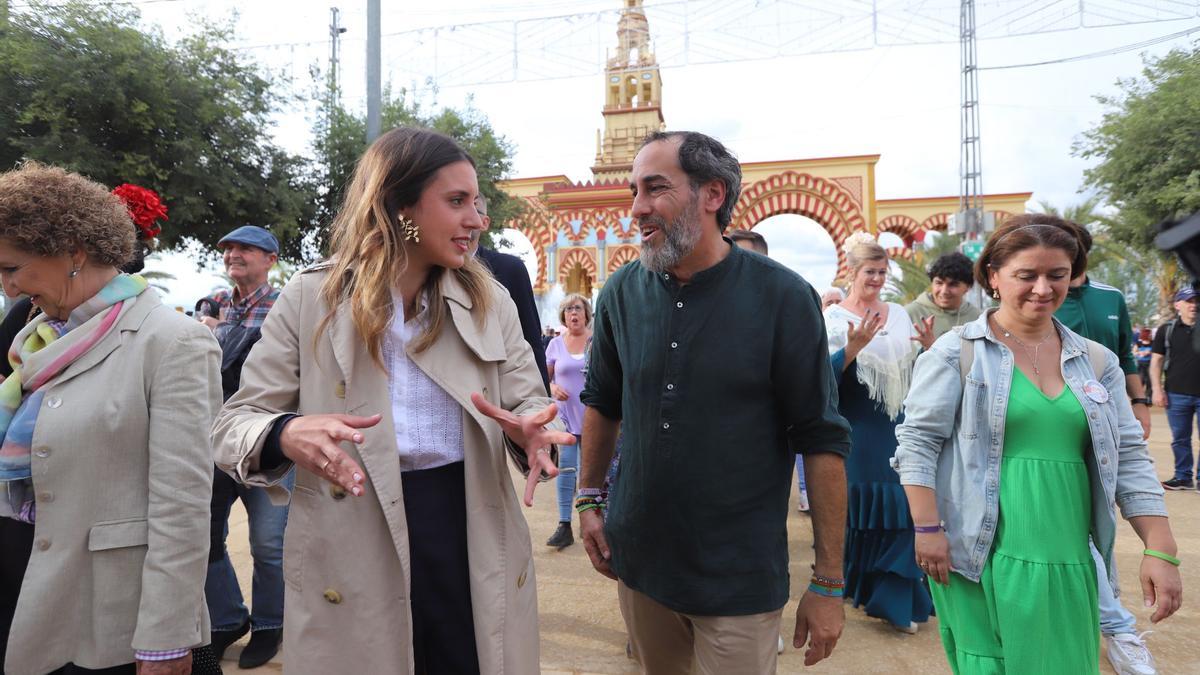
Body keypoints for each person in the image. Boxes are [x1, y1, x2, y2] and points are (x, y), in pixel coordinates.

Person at [211, 127, 573, 674]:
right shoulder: (313, 297)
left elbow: (527, 401)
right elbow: (233, 424)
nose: (478, 219)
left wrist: (530, 433)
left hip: (468, 523)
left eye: (476, 202)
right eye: (457, 202)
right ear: (399, 206)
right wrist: (286, 431)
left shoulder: (489, 298)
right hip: (353, 524)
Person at [578, 130, 852, 673]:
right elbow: (603, 403)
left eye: (655, 189)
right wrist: (587, 498)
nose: (637, 208)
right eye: (634, 190)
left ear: (712, 194)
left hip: (738, 575)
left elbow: (820, 438)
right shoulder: (620, 293)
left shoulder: (784, 299)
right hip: (641, 564)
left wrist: (828, 581)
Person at [895, 219, 1183, 673]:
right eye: (1026, 275)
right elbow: (917, 442)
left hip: (1068, 552)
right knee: (993, 665)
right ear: (993, 276)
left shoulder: (1096, 360)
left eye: (1058, 274)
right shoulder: (957, 352)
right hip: (979, 548)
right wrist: (928, 530)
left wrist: (1160, 549)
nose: (1043, 288)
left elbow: (1128, 453)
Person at [0, 163, 221, 674]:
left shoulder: (172, 341)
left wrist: (166, 639)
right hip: (23, 587)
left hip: (109, 619)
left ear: (73, 250)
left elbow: (182, 506)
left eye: (14, 268)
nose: (9, 289)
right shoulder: (33, 342)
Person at [1033, 213, 1158, 673]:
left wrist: (1140, 401)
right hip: (1054, 428)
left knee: (1098, 525)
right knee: (1075, 529)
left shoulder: (1111, 298)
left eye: (1059, 268)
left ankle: (1110, 618)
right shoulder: (1036, 298)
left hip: (1105, 423)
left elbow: (1124, 354)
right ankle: (1117, 625)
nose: (1044, 286)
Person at [823, 231, 933, 634]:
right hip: (860, 427)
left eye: (883, 271)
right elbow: (820, 382)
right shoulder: (835, 319)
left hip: (899, 424)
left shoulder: (900, 314)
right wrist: (851, 349)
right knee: (865, 511)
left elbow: (913, 372)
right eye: (870, 271)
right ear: (852, 271)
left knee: (904, 507)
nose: (877, 279)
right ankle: (867, 590)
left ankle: (895, 598)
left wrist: (929, 348)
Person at [196, 225, 291, 668]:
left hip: (269, 440)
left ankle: (271, 625)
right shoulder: (215, 306)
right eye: (229, 248)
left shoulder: (286, 307)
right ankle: (228, 618)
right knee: (204, 537)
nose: (234, 254)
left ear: (270, 259)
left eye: (246, 249)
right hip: (217, 439)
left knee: (269, 543)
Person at [472, 194, 551, 392]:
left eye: (474, 208)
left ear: (484, 222)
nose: (466, 216)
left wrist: (543, 405)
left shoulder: (509, 269)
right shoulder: (433, 269)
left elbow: (531, 339)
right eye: (455, 204)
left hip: (500, 390)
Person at [543, 293, 593, 549]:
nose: (574, 313)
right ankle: (564, 525)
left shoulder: (597, 341)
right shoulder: (555, 345)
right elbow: (543, 378)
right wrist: (552, 388)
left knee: (593, 472)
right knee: (566, 470)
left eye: (578, 308)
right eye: (569, 310)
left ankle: (594, 522)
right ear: (564, 316)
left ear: (587, 314)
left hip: (594, 417)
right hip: (565, 417)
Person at [1151, 287, 1199, 490]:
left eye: (1197, 301)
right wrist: (1156, 389)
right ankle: (1183, 477)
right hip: (1176, 394)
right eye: (1189, 301)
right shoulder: (1166, 330)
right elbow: (1156, 361)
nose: (1194, 305)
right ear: (1177, 305)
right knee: (1180, 438)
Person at [904, 251, 981, 339]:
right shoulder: (909, 314)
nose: (944, 291)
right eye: (939, 283)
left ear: (968, 287)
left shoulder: (978, 319)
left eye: (953, 285)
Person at [1135, 327, 1154, 401]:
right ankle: (1139, 397)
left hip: (1150, 364)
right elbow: (1134, 352)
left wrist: (1149, 352)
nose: (1151, 335)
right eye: (1149, 334)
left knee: (1149, 380)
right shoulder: (1139, 343)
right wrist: (1140, 353)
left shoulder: (1153, 343)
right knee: (1141, 380)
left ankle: (1149, 397)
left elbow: (1156, 352)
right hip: (1141, 364)